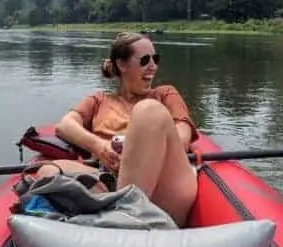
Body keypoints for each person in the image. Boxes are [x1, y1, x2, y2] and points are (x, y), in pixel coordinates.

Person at [52, 31, 200, 227]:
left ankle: (123, 221)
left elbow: (182, 137)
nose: (153, 66)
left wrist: (136, 153)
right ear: (122, 65)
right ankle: (117, 213)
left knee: (148, 111)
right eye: (145, 60)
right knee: (48, 171)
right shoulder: (99, 100)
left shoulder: (164, 94)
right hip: (112, 180)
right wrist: (100, 147)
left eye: (155, 59)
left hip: (164, 188)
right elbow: (65, 125)